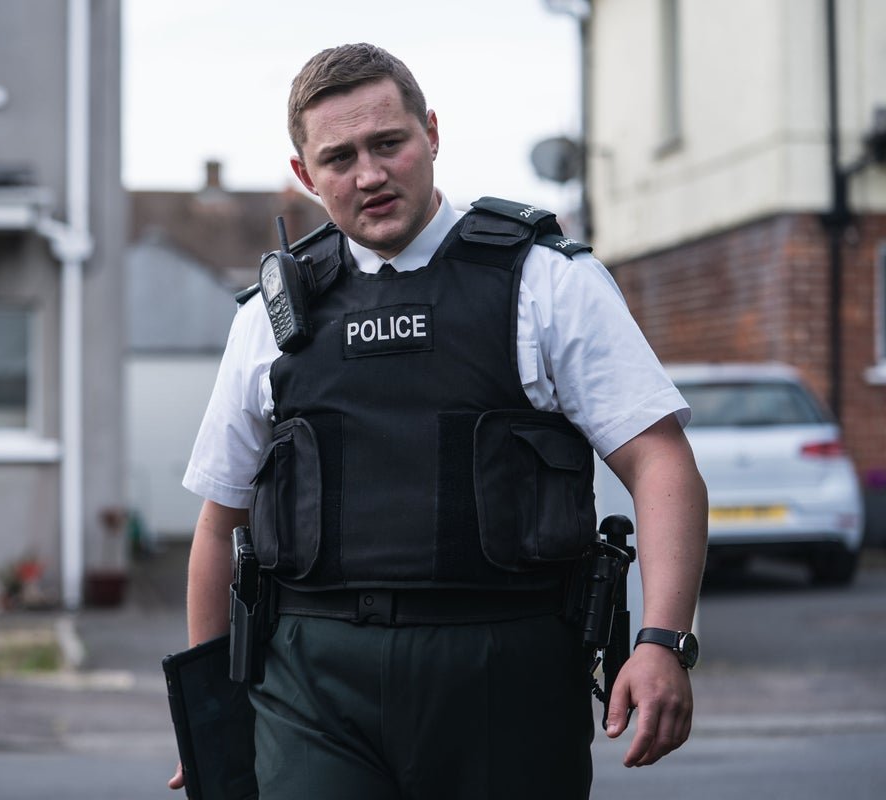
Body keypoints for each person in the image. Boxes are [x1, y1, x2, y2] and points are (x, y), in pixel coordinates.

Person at [169, 42, 707, 798]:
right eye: (339, 157)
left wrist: (663, 640)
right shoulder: (270, 317)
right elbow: (218, 520)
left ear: (430, 133)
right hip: (313, 684)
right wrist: (212, 715)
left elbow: (659, 460)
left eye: (388, 143)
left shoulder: (547, 282)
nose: (369, 175)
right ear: (304, 175)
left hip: (506, 675)